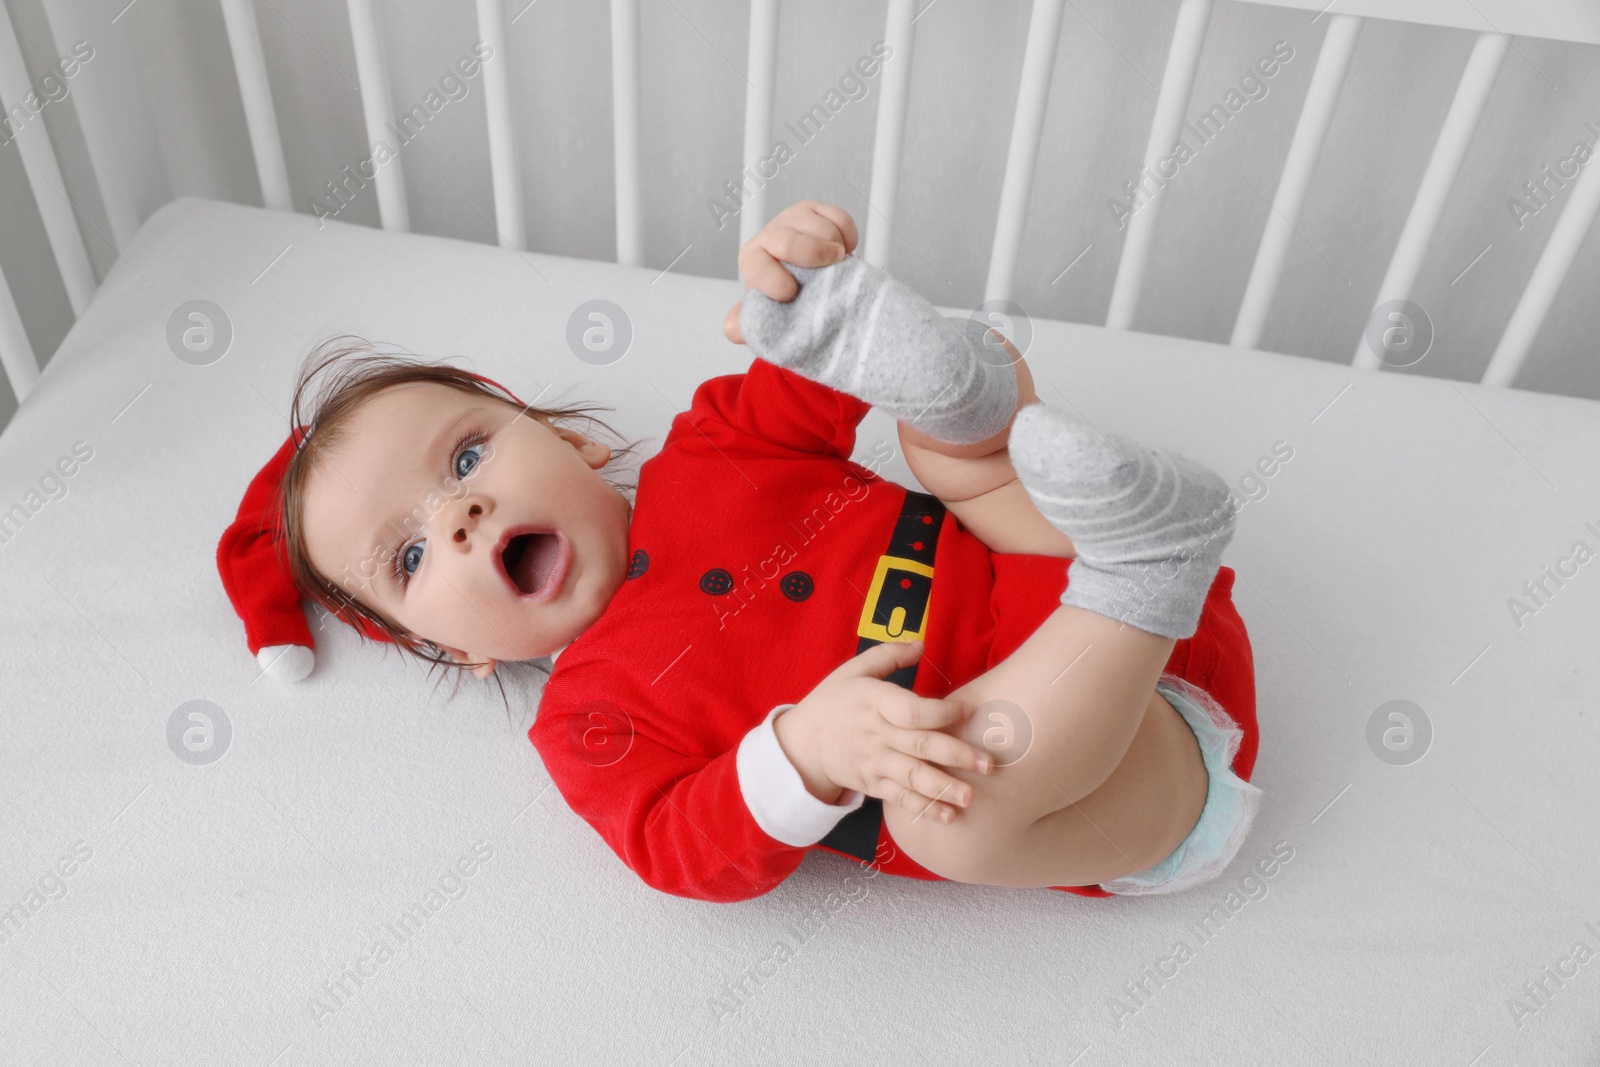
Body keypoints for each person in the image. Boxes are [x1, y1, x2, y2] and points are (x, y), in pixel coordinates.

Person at [279, 200, 1262, 903]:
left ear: (572, 442)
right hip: (1114, 766)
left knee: (940, 429)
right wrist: (805, 751)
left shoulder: (711, 447)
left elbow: (817, 374)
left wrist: (810, 293)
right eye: (408, 559)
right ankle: (1140, 571)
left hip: (1050, 561)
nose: (457, 514)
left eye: (465, 453)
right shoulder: (591, 720)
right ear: (453, 649)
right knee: (944, 813)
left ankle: (977, 394)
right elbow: (675, 846)